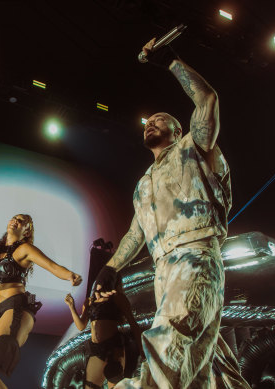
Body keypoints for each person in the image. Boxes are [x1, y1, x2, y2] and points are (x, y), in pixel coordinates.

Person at [93, 38, 250, 388]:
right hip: (164, 268)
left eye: (160, 120)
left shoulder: (193, 149)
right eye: (148, 121)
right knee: (205, 368)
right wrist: (110, 267)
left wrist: (171, 61)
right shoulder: (144, 182)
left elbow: (207, 99)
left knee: (169, 341)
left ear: (178, 130)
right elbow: (136, 233)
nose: (151, 122)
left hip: (195, 253)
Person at [0, 215, 83, 389]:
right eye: (14, 217)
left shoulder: (25, 249)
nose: (15, 220)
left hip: (16, 307)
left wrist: (70, 275)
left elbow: (52, 266)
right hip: (0, 312)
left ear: (27, 230)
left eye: (22, 221)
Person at [64, 277, 143, 389]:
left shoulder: (117, 297)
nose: (99, 283)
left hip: (114, 347)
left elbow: (134, 325)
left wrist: (142, 348)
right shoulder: (90, 301)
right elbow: (81, 326)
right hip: (96, 349)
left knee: (115, 386)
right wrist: (71, 307)